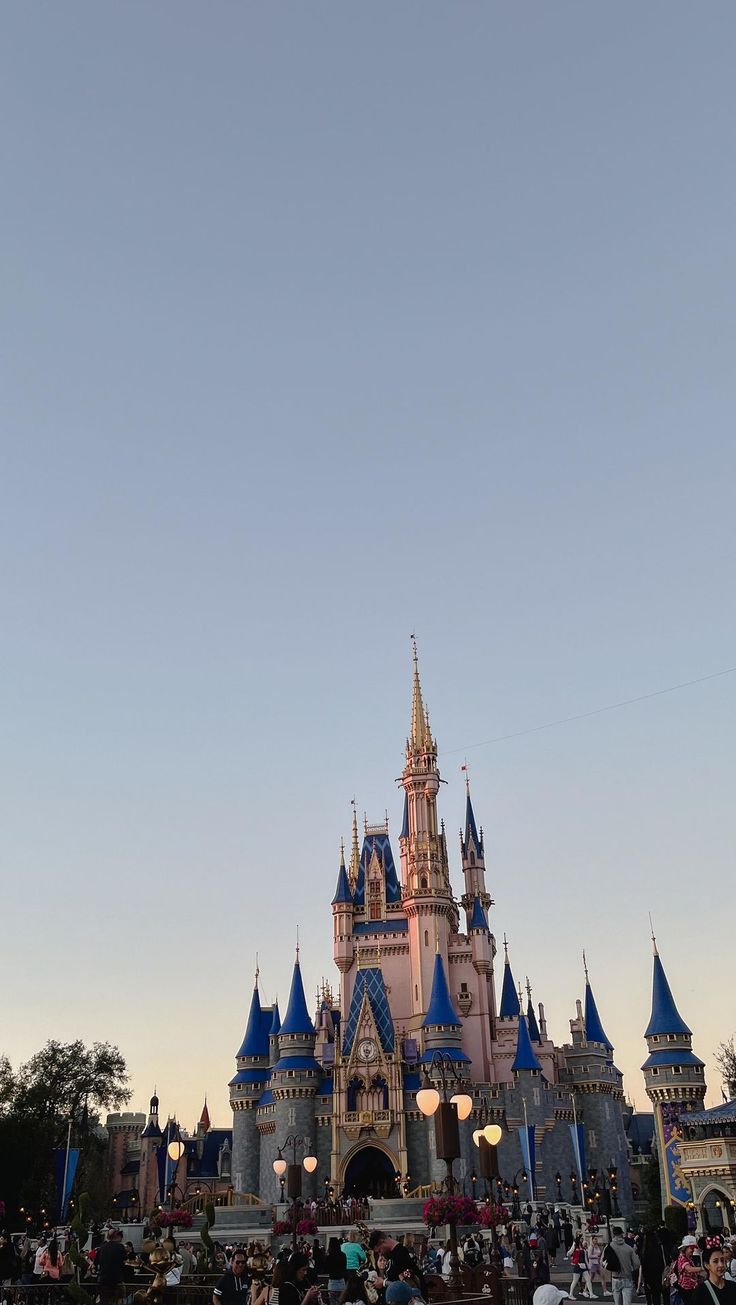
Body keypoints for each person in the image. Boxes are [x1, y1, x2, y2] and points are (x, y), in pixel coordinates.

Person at [604, 1227, 640, 1305]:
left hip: (615, 1277)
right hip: (627, 1277)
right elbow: (637, 1264)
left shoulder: (609, 1246)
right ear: (622, 1234)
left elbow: (602, 1262)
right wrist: (630, 1268)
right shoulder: (629, 1248)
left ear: (613, 1234)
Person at [96, 1228, 128, 1301]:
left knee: (104, 1300)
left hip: (103, 1280)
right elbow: (125, 1261)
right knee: (121, 1297)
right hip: (116, 1280)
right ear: (116, 1236)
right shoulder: (120, 1247)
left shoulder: (102, 1248)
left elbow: (95, 1263)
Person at [638, 1228, 666, 1305]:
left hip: (648, 1275)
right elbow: (662, 1263)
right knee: (656, 1296)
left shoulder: (644, 1248)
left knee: (649, 1296)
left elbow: (643, 1263)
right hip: (657, 1274)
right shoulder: (658, 1247)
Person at [676, 1237, 706, 1305]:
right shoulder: (682, 1258)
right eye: (691, 1249)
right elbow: (689, 1269)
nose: (693, 1251)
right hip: (686, 1288)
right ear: (685, 1248)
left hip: (691, 1286)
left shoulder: (689, 1258)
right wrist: (702, 1268)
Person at [326, 1237, 348, 1305]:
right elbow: (345, 1268)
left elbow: (326, 1269)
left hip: (332, 1282)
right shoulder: (343, 1255)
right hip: (341, 1281)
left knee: (332, 1302)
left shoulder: (329, 1257)